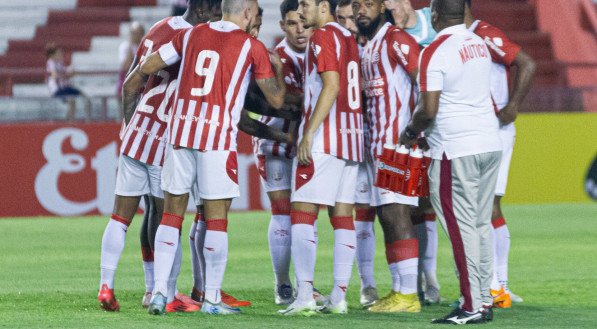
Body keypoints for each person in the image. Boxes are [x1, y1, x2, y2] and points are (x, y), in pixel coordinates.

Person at [125, 0, 286, 315]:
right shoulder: (251, 46)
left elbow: (147, 67)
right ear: (248, 14)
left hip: (180, 134)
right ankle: (211, 299)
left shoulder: (191, 35)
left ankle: (159, 293)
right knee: (216, 218)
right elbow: (276, 100)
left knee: (171, 214)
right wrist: (277, 67)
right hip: (216, 138)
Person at [98, 0, 222, 314]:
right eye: (218, 13)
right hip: (166, 134)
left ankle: (108, 286)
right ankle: (166, 291)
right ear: (204, 11)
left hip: (138, 127)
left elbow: (132, 80)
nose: (221, 21)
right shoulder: (193, 40)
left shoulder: (158, 29)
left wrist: (128, 126)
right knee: (168, 218)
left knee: (121, 217)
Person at [400, 0, 502, 324]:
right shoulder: (479, 44)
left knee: (461, 229)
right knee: (480, 225)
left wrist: (410, 131)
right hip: (489, 143)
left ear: (434, 15)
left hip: (454, 149)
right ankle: (484, 298)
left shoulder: (436, 50)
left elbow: (428, 110)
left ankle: (472, 305)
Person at [279, 0, 363, 316]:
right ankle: (339, 296)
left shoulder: (324, 36)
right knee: (342, 216)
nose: (301, 11)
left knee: (302, 212)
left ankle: (303, 296)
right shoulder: (348, 37)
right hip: (352, 139)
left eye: (306, 4)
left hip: (327, 139)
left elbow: (331, 85)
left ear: (323, 6)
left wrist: (309, 132)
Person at [464, 0, 535, 307]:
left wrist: (513, 105)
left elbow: (527, 63)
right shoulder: (453, 39)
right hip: (474, 132)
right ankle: (495, 284)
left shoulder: (484, 33)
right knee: (479, 207)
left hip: (495, 130)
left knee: (487, 205)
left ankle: (497, 286)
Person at [353, 0, 422, 313]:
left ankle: (409, 295)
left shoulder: (396, 39)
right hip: (377, 148)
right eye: (357, 5)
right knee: (386, 217)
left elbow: (424, 79)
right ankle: (398, 291)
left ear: (383, 7)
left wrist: (417, 128)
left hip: (398, 144)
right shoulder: (370, 46)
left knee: (397, 214)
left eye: (368, 4)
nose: (361, 11)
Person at [247, 0, 313, 306]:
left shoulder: (321, 53)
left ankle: (305, 285)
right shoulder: (273, 58)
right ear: (282, 26)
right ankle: (283, 283)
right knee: (283, 214)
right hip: (275, 143)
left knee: (305, 218)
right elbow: (283, 103)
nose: (300, 30)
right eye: (292, 23)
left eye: (304, 22)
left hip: (309, 145)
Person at [335, 0, 379, 309]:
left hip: (374, 143)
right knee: (353, 217)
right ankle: (360, 286)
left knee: (383, 216)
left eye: (351, 18)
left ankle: (375, 284)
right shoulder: (330, 50)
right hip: (344, 145)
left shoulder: (374, 49)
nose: (348, 24)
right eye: (341, 18)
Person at [45, 43, 92, 121]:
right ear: (52, 55)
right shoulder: (51, 63)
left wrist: (71, 73)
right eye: (58, 53)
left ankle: (86, 120)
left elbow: (65, 74)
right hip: (58, 89)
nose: (61, 54)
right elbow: (55, 75)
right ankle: (70, 122)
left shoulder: (60, 63)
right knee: (71, 101)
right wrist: (67, 74)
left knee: (86, 98)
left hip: (66, 87)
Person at [116, 21, 145, 114]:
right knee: (125, 117)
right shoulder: (125, 47)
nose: (134, 36)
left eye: (137, 33)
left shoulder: (147, 46)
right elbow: (126, 66)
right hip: (127, 84)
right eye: (133, 33)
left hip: (141, 85)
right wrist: (130, 47)